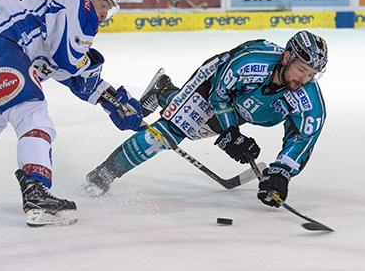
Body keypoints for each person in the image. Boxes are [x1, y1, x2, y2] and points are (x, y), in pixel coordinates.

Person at [0, 0, 145, 226]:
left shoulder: (48, 20)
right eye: (105, 4)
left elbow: (67, 71)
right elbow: (71, 61)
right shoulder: (77, 1)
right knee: (33, 114)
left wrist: (111, 100)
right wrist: (115, 97)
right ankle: (37, 194)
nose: (104, 15)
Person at [82, 31, 328, 209]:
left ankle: (163, 91)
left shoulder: (309, 100)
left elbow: (303, 138)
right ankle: (104, 174)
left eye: (311, 74)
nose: (304, 79)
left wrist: (281, 173)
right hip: (213, 83)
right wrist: (232, 132)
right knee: (171, 133)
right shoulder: (251, 62)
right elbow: (220, 94)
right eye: (301, 70)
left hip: (246, 104)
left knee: (199, 130)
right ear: (286, 57)